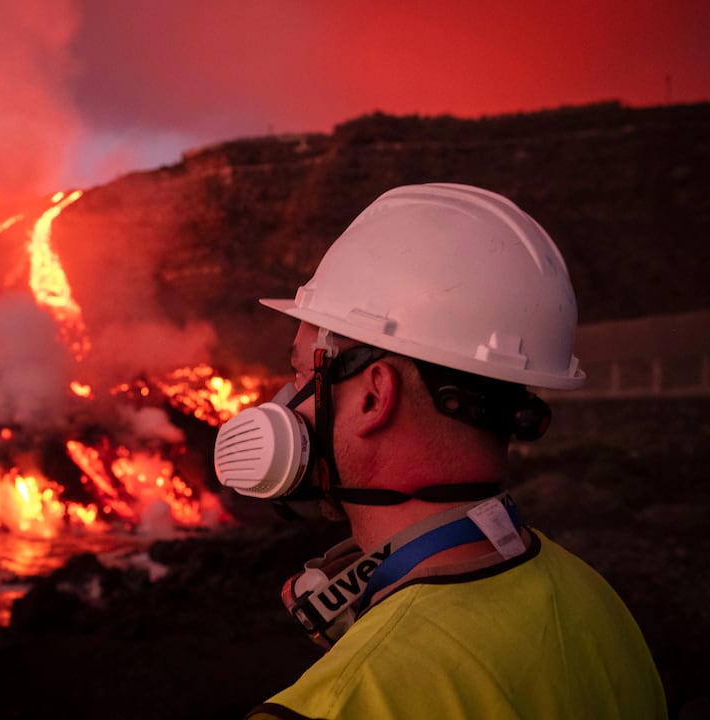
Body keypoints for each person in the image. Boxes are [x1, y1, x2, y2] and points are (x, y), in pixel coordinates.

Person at [213, 183, 666, 719]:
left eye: (299, 371)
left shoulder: (344, 702)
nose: (288, 400)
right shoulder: (596, 604)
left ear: (375, 396)